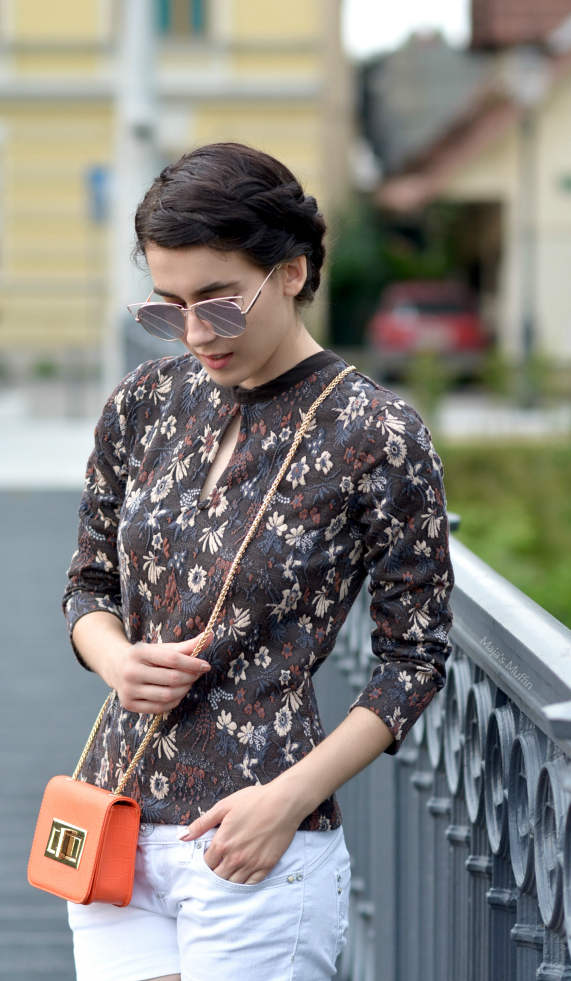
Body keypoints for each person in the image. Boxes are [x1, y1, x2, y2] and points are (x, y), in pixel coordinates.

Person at [63, 143, 454, 981]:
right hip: (114, 827)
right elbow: (88, 585)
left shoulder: (376, 433)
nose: (196, 333)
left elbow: (415, 658)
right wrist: (116, 658)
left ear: (292, 271)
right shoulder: (143, 403)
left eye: (218, 302)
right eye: (168, 307)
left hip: (255, 842)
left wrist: (289, 799)